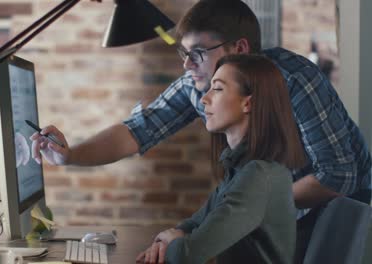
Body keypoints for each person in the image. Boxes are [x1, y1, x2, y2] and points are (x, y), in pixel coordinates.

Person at [31, 0, 371, 262]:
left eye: (197, 54)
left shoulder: (294, 82)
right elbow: (139, 130)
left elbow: (338, 176)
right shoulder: (201, 86)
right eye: (183, 53)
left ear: (239, 49)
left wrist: (252, 205)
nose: (186, 65)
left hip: (329, 207)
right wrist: (69, 155)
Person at [135, 53, 305, 264]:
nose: (204, 98)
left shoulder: (259, 175)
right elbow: (195, 224)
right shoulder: (240, 168)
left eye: (217, 89)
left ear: (248, 104)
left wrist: (173, 240)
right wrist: (169, 239)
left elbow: (189, 254)